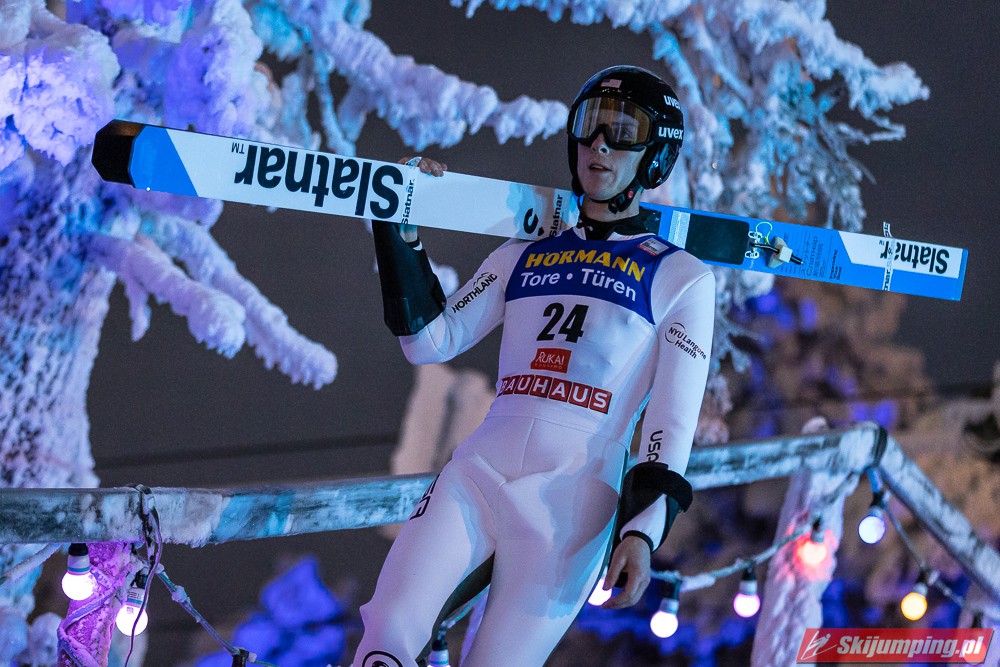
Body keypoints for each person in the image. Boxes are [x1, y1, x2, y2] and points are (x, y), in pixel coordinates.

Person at [353, 66, 716, 667]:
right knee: (387, 632)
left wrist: (642, 531)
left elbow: (671, 423)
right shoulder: (523, 253)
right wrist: (398, 225)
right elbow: (431, 340)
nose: (599, 144)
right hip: (477, 473)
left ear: (657, 155)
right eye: (589, 125)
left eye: (623, 131)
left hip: (572, 502)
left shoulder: (681, 277)